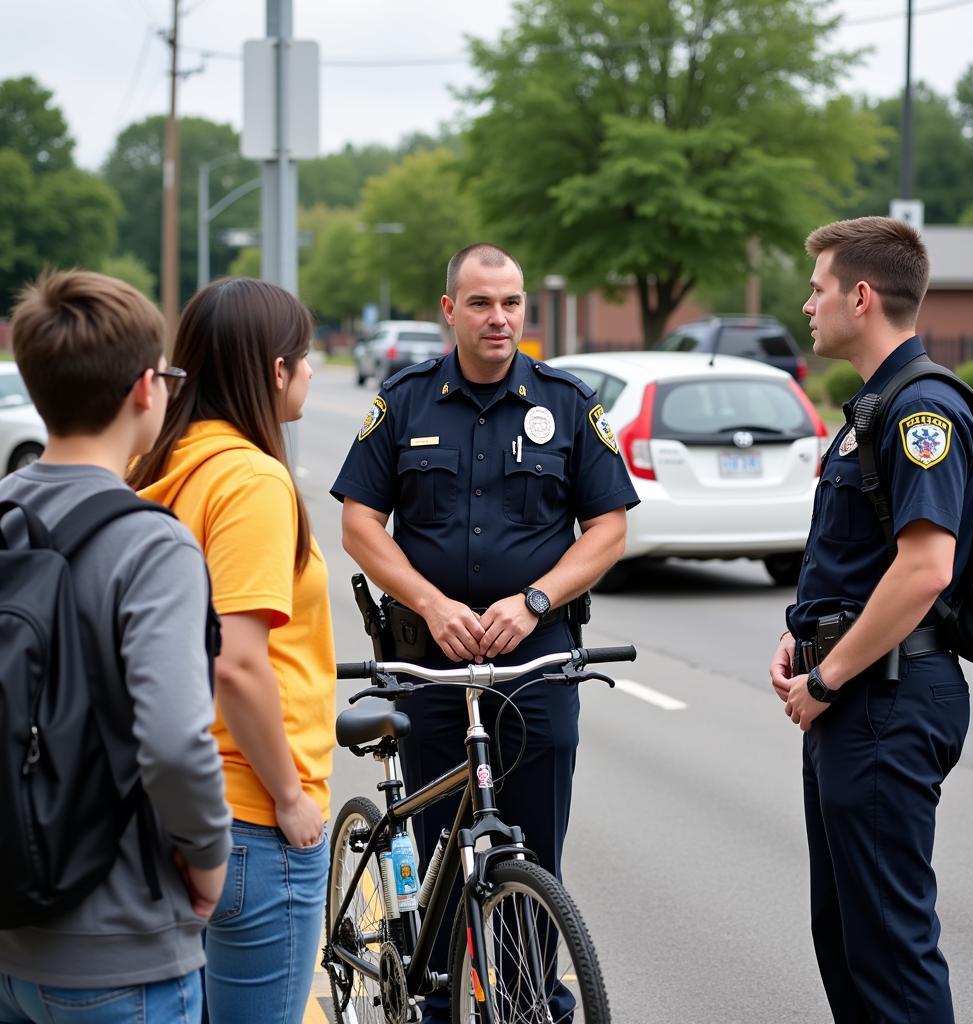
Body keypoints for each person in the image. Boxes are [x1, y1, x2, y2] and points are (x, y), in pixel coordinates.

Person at [331, 242, 639, 1022]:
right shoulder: (403, 403)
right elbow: (361, 525)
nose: (498, 318)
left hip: (534, 666)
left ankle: (532, 1004)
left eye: (510, 302)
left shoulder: (567, 404)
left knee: (532, 856)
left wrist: (535, 600)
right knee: (434, 849)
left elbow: (607, 530)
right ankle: (431, 1001)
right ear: (450, 311)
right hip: (429, 663)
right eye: (480, 302)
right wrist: (433, 604)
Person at [0, 270, 232, 1023]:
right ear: (145, 389)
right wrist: (209, 858)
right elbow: (172, 742)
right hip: (120, 948)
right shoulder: (150, 546)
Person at [768, 217, 973, 1024]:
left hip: (884, 701)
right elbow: (863, 559)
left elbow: (925, 569)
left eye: (819, 288)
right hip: (858, 697)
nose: (808, 303)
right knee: (849, 942)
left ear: (862, 296)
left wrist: (828, 673)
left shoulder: (920, 410)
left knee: (890, 952)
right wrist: (803, 632)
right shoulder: (876, 405)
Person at [127, 278, 335, 1024]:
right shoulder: (250, 479)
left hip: (158, 802)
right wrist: (290, 798)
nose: (310, 372)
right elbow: (237, 660)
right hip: (249, 816)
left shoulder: (158, 466)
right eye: (303, 357)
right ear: (275, 371)